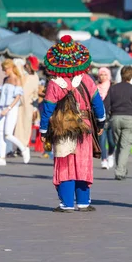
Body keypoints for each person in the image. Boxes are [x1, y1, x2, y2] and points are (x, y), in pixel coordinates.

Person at [40, 35, 106, 212]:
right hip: (84, 125)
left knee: (65, 163)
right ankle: (83, 202)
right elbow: (98, 105)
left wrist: (43, 130)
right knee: (82, 162)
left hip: (62, 127)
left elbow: (47, 110)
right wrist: (100, 124)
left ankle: (67, 203)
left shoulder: (54, 84)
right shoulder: (87, 80)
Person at [104, 66, 132, 181]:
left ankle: (120, 168)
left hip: (115, 118)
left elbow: (106, 105)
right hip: (129, 119)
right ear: (131, 76)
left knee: (120, 145)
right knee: (125, 146)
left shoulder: (113, 89)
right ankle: (120, 171)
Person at [0, 59, 30, 166]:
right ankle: (2, 158)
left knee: (8, 134)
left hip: (11, 109)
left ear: (11, 68)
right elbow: (5, 93)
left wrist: (8, 108)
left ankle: (24, 148)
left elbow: (18, 97)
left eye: (6, 69)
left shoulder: (17, 79)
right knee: (0, 133)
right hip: (2, 107)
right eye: (4, 69)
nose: (4, 71)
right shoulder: (5, 79)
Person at [14, 57, 40, 154]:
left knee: (26, 126)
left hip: (29, 105)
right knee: (17, 125)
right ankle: (16, 147)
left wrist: (34, 108)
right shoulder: (21, 74)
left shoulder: (35, 77)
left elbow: (35, 94)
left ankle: (23, 146)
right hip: (18, 104)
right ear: (27, 65)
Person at [97, 67, 116, 169]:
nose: (103, 77)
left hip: (111, 117)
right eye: (101, 75)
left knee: (112, 141)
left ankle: (110, 155)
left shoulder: (112, 87)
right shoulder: (96, 87)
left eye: (105, 75)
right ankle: (103, 160)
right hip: (100, 117)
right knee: (102, 139)